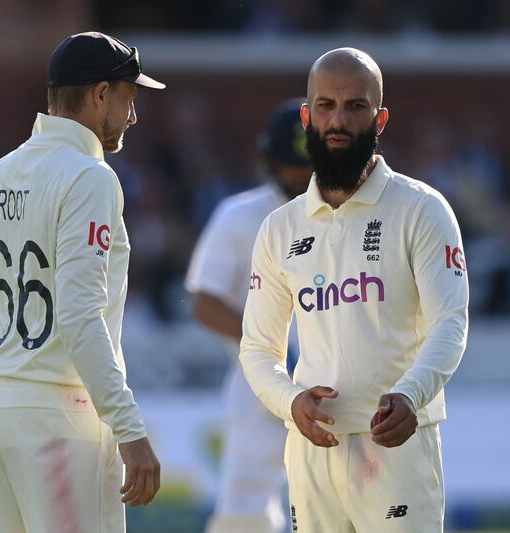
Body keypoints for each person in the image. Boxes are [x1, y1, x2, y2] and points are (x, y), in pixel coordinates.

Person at [240, 48, 469, 532]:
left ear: (380, 117)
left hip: (397, 448)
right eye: (325, 106)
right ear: (306, 117)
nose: (338, 121)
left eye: (355, 107)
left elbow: (451, 323)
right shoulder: (279, 228)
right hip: (312, 451)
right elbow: (258, 349)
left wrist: (410, 395)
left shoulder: (421, 209)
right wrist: (290, 401)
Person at [0, 32, 163, 533]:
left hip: (0, 413)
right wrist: (131, 430)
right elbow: (79, 314)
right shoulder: (91, 177)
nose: (132, 116)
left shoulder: (2, 171)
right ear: (100, 94)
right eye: (129, 98)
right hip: (61, 419)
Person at [185, 99, 312, 533]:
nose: (301, 181)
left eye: (309, 169)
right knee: (246, 512)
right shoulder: (239, 216)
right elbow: (205, 303)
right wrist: (273, 350)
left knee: (343, 503)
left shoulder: (351, 216)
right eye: (292, 170)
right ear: (268, 161)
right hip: (260, 382)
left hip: (340, 380)